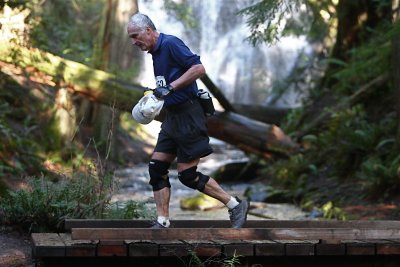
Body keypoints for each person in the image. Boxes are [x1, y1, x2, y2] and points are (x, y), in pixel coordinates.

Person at [127, 13, 249, 228]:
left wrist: (171, 88)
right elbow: (168, 82)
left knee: (187, 175)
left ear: (148, 30)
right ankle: (162, 220)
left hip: (189, 115)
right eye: (131, 38)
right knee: (156, 168)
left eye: (136, 36)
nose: (134, 41)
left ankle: (235, 204)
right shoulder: (155, 52)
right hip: (172, 116)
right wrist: (155, 93)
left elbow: (199, 69)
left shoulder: (171, 43)